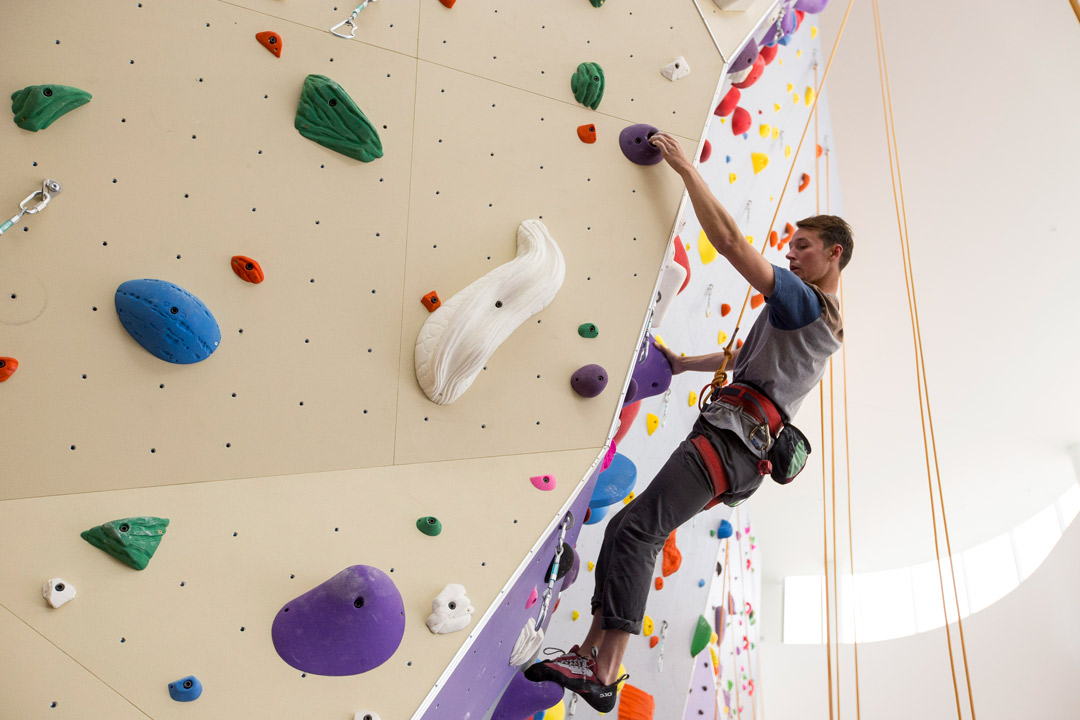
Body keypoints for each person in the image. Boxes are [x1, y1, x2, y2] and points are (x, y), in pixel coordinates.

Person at [523, 132, 854, 712]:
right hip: (734, 446)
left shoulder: (809, 305)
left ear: (834, 255)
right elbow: (747, 368)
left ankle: (607, 669)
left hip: (731, 445)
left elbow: (728, 242)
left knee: (641, 531)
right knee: (629, 527)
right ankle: (592, 656)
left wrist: (684, 168)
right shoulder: (805, 320)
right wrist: (681, 362)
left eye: (803, 245)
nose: (792, 252)